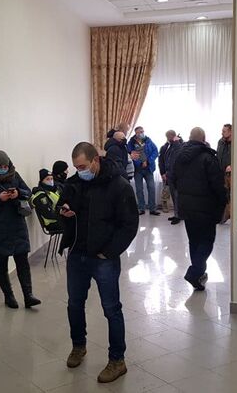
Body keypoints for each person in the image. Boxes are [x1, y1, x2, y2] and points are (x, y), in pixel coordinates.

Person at [58, 142, 139, 384]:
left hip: (103, 258)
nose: (79, 171)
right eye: (76, 167)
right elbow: (61, 206)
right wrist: (63, 211)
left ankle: (117, 360)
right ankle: (78, 346)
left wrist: (109, 252)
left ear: (95, 160)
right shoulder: (74, 183)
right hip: (77, 254)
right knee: (74, 304)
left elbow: (129, 224)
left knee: (111, 309)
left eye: (82, 166)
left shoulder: (119, 186)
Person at [0, 150, 41, 309]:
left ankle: (28, 295)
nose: (3, 169)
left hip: (17, 225)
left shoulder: (15, 176)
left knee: (22, 261)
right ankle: (9, 296)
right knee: (1, 262)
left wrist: (18, 193)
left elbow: (28, 192)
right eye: (0, 166)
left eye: (5, 166)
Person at [173, 127, 228, 291]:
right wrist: (224, 200)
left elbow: (173, 179)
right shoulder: (208, 157)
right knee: (207, 241)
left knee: (194, 241)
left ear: (190, 138)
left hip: (186, 206)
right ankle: (195, 272)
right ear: (203, 139)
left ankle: (198, 274)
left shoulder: (179, 156)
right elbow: (217, 184)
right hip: (206, 208)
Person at [127, 126, 159, 215]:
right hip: (138, 170)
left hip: (149, 169)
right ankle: (141, 208)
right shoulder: (131, 143)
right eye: (139, 132)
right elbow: (131, 154)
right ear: (136, 133)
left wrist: (148, 161)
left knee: (151, 188)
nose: (141, 133)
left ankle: (152, 209)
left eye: (142, 131)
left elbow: (155, 151)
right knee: (139, 189)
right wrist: (140, 163)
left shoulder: (148, 141)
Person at [159, 130, 183, 225]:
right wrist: (163, 172)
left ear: (172, 136)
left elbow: (176, 159)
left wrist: (177, 141)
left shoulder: (178, 145)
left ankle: (178, 216)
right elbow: (164, 159)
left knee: (177, 196)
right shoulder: (169, 145)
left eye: (168, 136)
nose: (167, 139)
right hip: (170, 175)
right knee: (173, 195)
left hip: (176, 176)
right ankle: (177, 214)